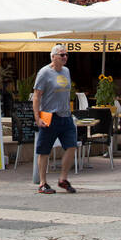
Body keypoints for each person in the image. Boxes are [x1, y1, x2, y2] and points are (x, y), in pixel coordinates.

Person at [32, 44, 77, 194]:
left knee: (71, 146)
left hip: (66, 115)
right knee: (44, 150)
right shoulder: (44, 73)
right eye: (61, 55)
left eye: (66, 55)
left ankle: (63, 179)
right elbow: (37, 96)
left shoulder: (67, 71)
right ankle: (43, 183)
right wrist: (37, 117)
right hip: (49, 115)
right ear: (53, 57)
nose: (65, 57)